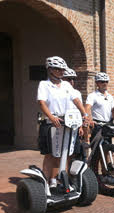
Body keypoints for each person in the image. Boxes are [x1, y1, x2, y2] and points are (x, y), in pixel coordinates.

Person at [37, 56, 89, 188]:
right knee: (50, 154)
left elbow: (76, 99)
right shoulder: (44, 85)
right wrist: (51, 116)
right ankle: (45, 182)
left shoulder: (66, 85)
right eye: (58, 69)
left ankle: (58, 180)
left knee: (63, 153)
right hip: (51, 122)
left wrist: (84, 113)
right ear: (50, 69)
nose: (61, 71)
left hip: (67, 123)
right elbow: (41, 103)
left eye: (62, 69)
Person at [85, 72, 114, 184]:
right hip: (98, 126)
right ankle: (94, 176)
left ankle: (105, 175)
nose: (104, 84)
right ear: (97, 83)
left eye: (106, 82)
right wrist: (89, 119)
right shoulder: (93, 96)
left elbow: (113, 110)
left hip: (107, 127)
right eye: (102, 82)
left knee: (106, 150)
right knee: (96, 153)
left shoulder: (109, 96)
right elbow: (87, 109)